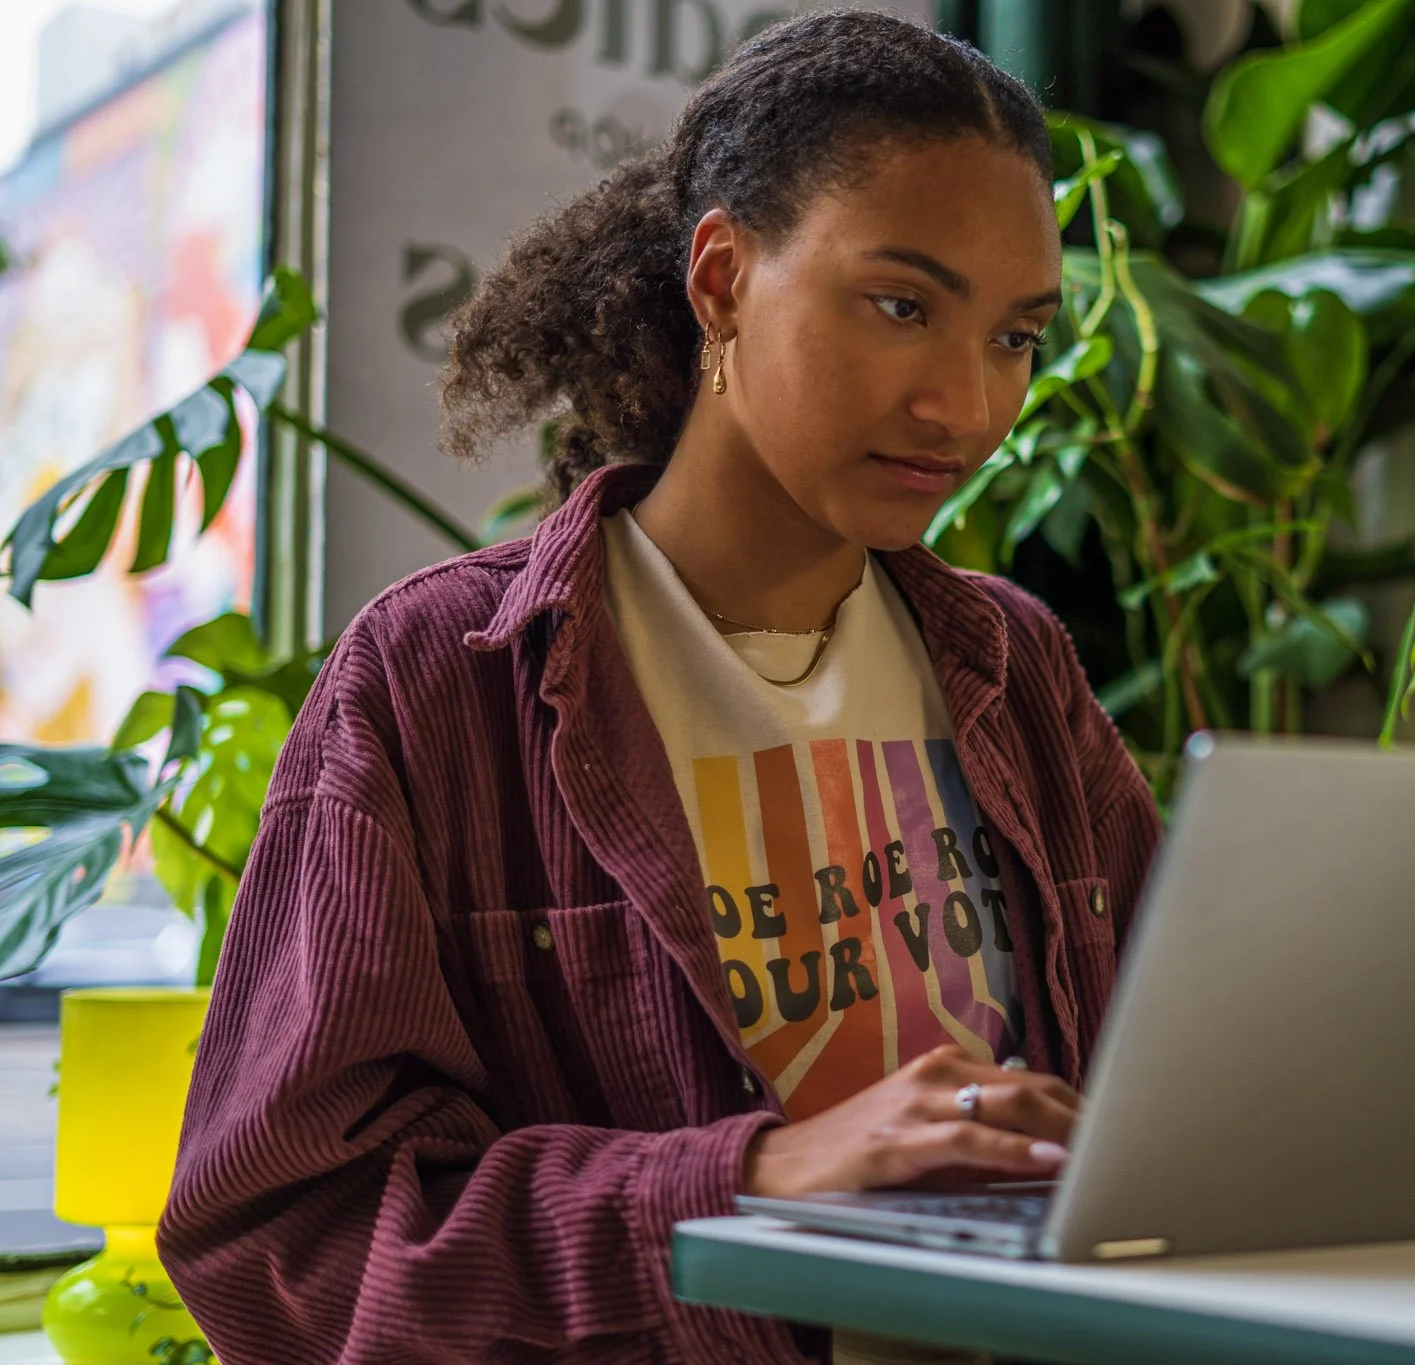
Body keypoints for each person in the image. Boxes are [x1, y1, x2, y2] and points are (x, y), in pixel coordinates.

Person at [157, 11, 1159, 1364]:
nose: (966, 409)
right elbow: (292, 1246)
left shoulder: (1016, 669)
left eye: (1014, 338)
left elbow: (1169, 1107)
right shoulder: (438, 689)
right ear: (723, 279)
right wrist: (757, 1182)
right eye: (901, 306)